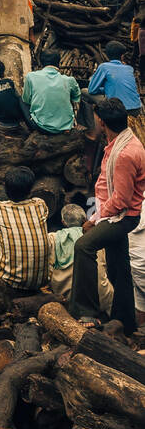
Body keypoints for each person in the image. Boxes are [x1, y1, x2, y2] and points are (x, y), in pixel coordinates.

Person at [70, 98, 145, 333]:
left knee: (84, 246)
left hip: (123, 216)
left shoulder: (124, 154)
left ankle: (86, 312)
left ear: (102, 122)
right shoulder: (124, 142)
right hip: (117, 213)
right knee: (118, 266)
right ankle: (125, 319)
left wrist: (93, 220)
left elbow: (120, 201)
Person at [50, 204, 113, 311]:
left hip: (65, 299)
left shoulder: (52, 238)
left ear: (63, 222)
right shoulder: (98, 237)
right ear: (85, 220)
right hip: (101, 299)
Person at [22, 50, 79, 134]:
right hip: (65, 126)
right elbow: (77, 97)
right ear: (58, 62)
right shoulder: (69, 80)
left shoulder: (31, 77)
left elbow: (26, 100)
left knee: (21, 100)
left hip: (41, 126)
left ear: (41, 62)